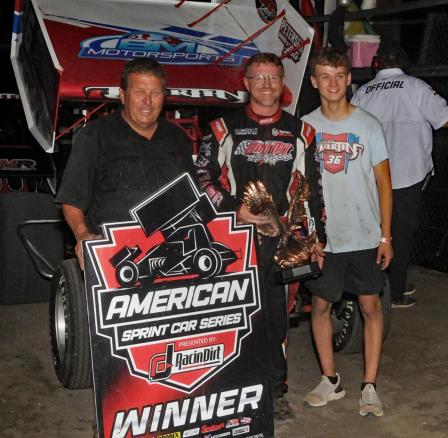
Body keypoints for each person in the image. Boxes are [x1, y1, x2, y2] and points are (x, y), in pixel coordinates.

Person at [194, 52, 325, 420]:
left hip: (280, 242)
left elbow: (310, 190)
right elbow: (202, 179)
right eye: (259, 78)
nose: (267, 85)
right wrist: (237, 209)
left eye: (274, 78)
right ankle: (227, 391)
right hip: (231, 239)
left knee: (275, 320)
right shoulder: (223, 127)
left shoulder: (301, 131)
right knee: (231, 317)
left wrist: (316, 239)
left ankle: (274, 391)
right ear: (246, 83)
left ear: (283, 83)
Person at [301, 47, 393, 417]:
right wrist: (306, 237)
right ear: (314, 81)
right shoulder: (305, 127)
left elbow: (385, 184)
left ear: (349, 79)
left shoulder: (369, 125)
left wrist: (386, 236)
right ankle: (330, 378)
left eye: (339, 75)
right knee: (320, 306)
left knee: (371, 306)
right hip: (325, 239)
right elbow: (299, 187)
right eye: (325, 76)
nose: (333, 83)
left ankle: (369, 385)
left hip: (364, 234)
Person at [56, 58, 195, 269]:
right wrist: (82, 234)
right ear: (123, 95)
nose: (147, 102)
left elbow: (192, 195)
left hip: (174, 250)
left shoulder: (178, 137)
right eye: (139, 92)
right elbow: (72, 199)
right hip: (115, 253)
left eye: (155, 93)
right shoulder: (95, 136)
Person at [351, 45, 448, 308]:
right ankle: (394, 293)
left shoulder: (363, 91)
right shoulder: (416, 86)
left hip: (371, 174)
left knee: (377, 231)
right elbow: (444, 118)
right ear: (405, 64)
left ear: (376, 64)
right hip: (408, 174)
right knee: (402, 232)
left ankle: (374, 285)